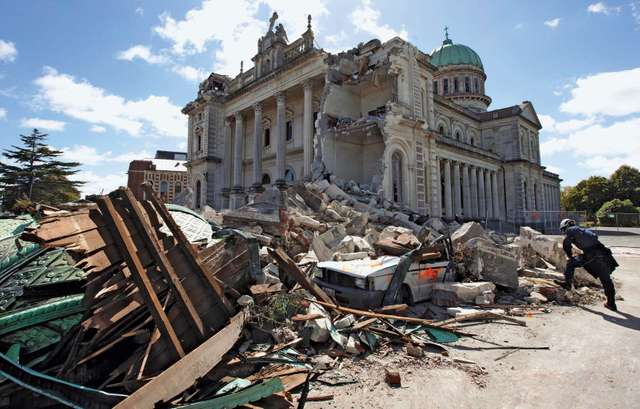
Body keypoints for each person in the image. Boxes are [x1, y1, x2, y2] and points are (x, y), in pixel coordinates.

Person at [558, 218, 619, 311]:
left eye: (563, 229)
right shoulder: (584, 230)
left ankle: (567, 284)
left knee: (571, 263)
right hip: (603, 255)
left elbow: (566, 244)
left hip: (591, 255)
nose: (564, 232)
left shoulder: (571, 230)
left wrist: (570, 256)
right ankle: (611, 303)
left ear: (566, 226)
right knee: (606, 280)